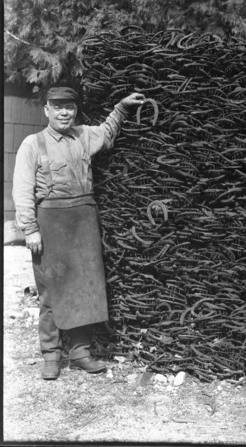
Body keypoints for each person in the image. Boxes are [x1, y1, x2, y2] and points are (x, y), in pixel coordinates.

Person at [12, 86, 145, 380]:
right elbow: (21, 191)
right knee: (50, 291)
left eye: (69, 107)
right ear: (46, 109)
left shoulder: (83, 135)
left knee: (85, 288)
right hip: (50, 224)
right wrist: (30, 229)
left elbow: (108, 131)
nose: (64, 112)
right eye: (57, 107)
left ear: (75, 110)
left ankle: (80, 352)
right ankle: (51, 355)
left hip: (84, 220)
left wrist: (122, 107)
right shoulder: (32, 145)